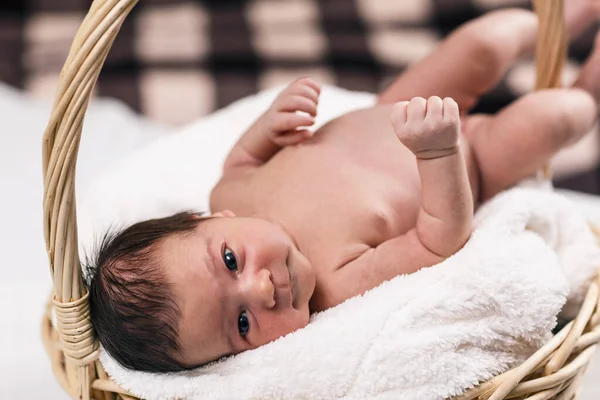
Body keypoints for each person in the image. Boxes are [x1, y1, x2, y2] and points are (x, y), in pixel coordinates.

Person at [88, 4, 600, 373]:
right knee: (558, 116)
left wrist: (273, 123)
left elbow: (244, 156)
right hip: (472, 158)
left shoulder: (231, 194)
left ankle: (560, 18)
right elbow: (436, 239)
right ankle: (592, 84)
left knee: (483, 43)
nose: (262, 288)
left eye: (229, 261)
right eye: (241, 324)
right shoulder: (336, 284)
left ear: (207, 220)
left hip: (396, 104)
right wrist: (439, 153)